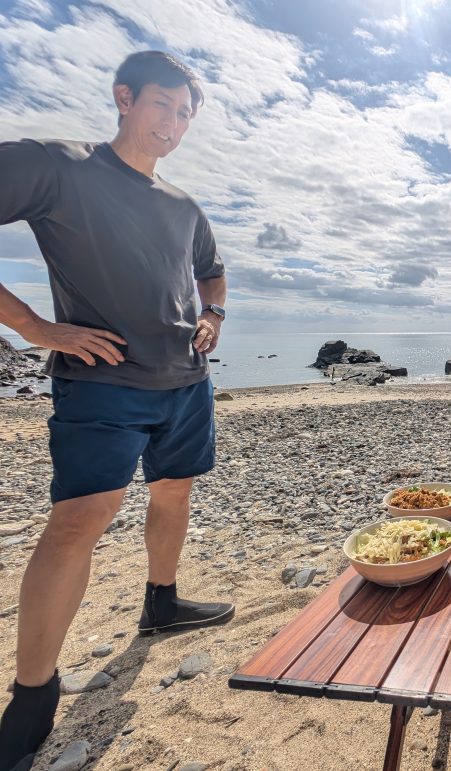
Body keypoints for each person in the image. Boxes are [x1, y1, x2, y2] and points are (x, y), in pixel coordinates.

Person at [0, 51, 232, 770]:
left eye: (186, 114)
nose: (174, 123)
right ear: (124, 97)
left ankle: (161, 599)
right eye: (163, 105)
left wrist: (213, 315)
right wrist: (36, 327)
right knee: (79, 518)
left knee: (176, 490)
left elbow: (211, 269)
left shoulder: (184, 205)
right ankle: (33, 689)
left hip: (185, 381)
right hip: (101, 383)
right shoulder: (57, 166)